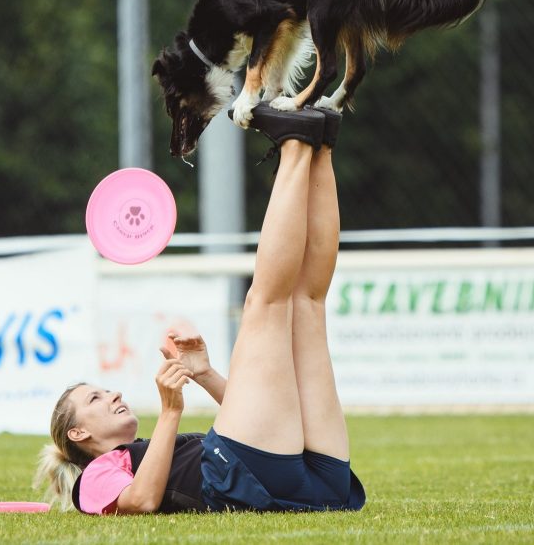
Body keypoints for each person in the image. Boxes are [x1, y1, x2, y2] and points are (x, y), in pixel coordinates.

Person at [35, 104, 365, 514]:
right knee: (267, 303)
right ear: (79, 433)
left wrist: (204, 375)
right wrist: (171, 410)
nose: (113, 393)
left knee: (306, 305)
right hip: (257, 474)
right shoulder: (93, 477)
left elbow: (262, 417)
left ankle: (320, 148)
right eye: (96, 398)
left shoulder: (146, 449)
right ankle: (296, 142)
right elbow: (139, 502)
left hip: (296, 477)